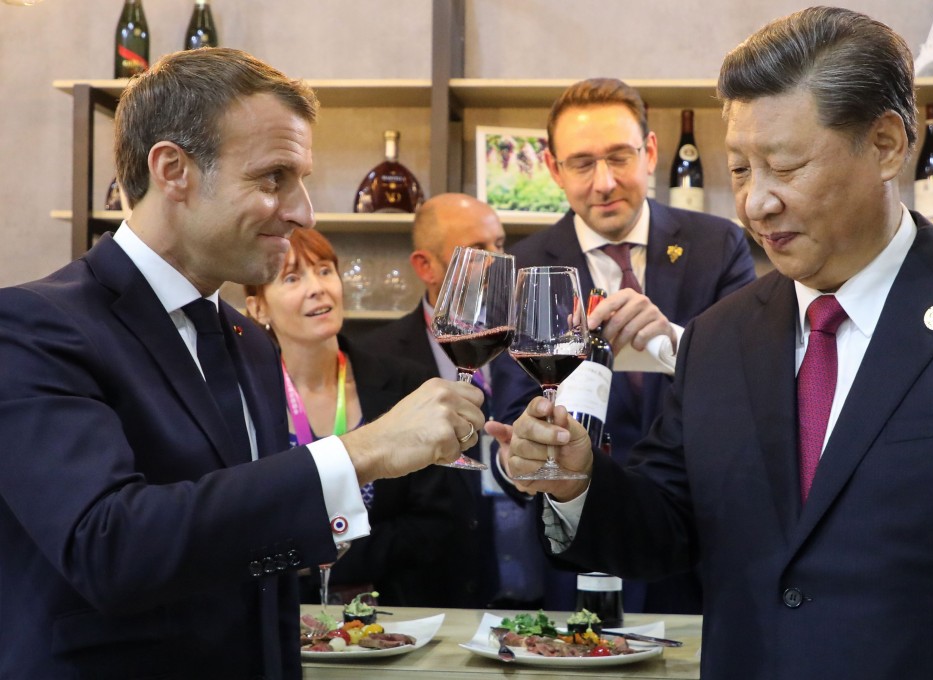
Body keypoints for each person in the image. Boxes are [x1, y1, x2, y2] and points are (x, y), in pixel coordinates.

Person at [498, 7, 933, 678]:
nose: (756, 204)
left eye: (786, 166)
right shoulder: (719, 337)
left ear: (887, 145)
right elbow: (667, 525)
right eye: (741, 170)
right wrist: (576, 482)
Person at [0, 47, 483, 679]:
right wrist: (360, 451)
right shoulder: (33, 326)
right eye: (273, 177)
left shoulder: (248, 340)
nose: (303, 211)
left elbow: (254, 549)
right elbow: (108, 546)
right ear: (172, 169)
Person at [488, 76, 757, 615]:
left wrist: (675, 343)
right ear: (553, 169)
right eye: (582, 164)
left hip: (700, 538)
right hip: (580, 535)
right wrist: (522, 451)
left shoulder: (717, 245)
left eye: (619, 157)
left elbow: (757, 383)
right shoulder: (524, 266)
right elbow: (516, 411)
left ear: (650, 152)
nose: (605, 182)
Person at [244, 227, 471, 608]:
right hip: (281, 615)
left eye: (325, 270)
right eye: (292, 277)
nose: (318, 287)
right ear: (258, 308)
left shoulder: (406, 384)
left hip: (392, 614)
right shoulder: (243, 397)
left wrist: (308, 556)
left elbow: (437, 524)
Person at [363, 193, 545, 609]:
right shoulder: (377, 360)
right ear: (426, 266)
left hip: (543, 591)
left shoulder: (537, 344)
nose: (499, 261)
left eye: (501, 245)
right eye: (480, 250)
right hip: (433, 598)